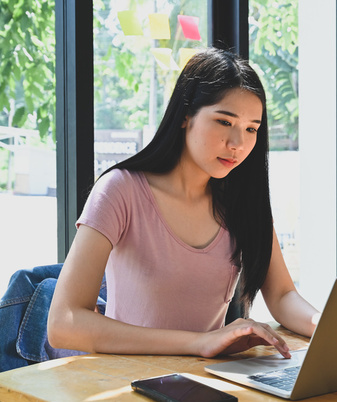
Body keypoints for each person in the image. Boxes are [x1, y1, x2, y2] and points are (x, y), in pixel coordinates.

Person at [47, 47, 319, 359]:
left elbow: (282, 295)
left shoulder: (243, 202)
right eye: (223, 121)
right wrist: (199, 343)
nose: (237, 144)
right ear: (185, 116)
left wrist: (327, 326)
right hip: (126, 380)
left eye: (251, 129)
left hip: (206, 380)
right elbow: (63, 322)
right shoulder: (120, 190)